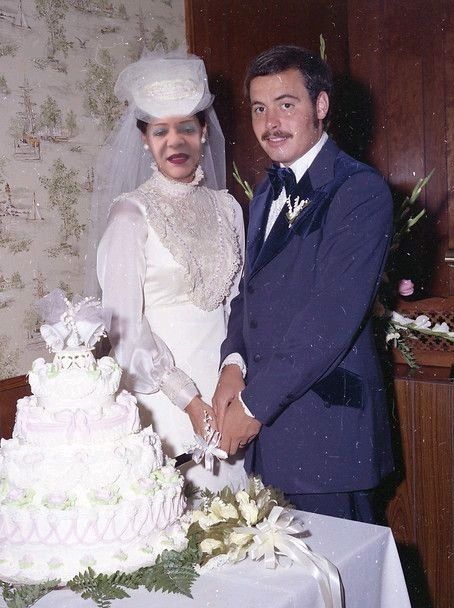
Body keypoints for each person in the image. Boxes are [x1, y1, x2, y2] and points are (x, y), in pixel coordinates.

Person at [213, 45, 394, 522]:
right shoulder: (264, 193)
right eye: (259, 108)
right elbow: (248, 293)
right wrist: (232, 361)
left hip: (326, 439)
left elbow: (329, 319)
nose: (270, 121)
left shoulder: (359, 191)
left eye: (286, 104)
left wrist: (251, 408)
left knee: (341, 590)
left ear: (321, 106)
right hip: (273, 438)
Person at [91, 53, 246, 492]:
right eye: (160, 131)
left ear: (203, 134)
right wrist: (189, 401)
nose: (174, 142)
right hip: (166, 398)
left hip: (229, 391)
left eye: (186, 128)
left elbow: (240, 304)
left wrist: (234, 380)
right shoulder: (130, 215)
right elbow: (123, 326)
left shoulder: (228, 208)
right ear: (144, 139)